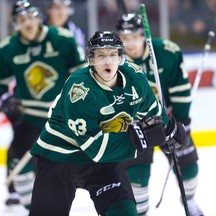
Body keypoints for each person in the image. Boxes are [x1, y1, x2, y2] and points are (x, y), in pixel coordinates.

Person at [29, 31, 186, 216]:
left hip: (103, 164)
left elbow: (152, 110)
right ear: (91, 59)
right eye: (101, 55)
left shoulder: (135, 77)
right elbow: (97, 149)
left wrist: (168, 129)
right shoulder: (80, 90)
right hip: (59, 157)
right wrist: (141, 140)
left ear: (121, 57)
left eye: (113, 54)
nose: (108, 61)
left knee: (123, 212)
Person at [0, 0, 86, 211]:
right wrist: (3, 99)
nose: (28, 23)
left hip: (61, 117)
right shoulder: (8, 48)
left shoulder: (62, 39)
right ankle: (27, 205)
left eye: (31, 17)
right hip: (28, 117)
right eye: (22, 20)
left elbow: (82, 73)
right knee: (18, 160)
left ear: (39, 17)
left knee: (59, 168)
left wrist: (75, 103)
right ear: (15, 24)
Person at [116, 13, 203, 216]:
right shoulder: (114, 60)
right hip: (134, 125)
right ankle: (139, 212)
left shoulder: (166, 51)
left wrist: (182, 123)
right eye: (124, 38)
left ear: (143, 35)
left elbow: (181, 90)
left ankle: (190, 202)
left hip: (168, 119)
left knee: (188, 166)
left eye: (134, 37)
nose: (130, 43)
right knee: (136, 173)